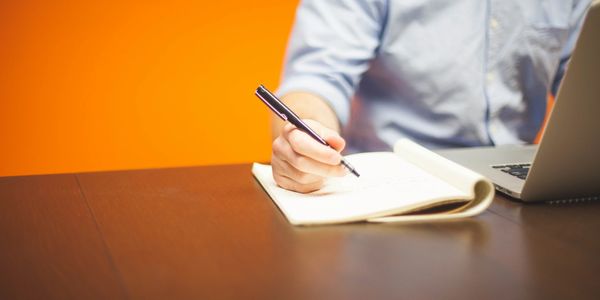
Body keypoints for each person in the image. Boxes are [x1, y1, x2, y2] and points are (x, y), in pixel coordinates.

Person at [271, 0, 592, 193]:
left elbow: (586, 77)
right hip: (392, 188)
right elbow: (317, 77)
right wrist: (307, 138)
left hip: (524, 188)